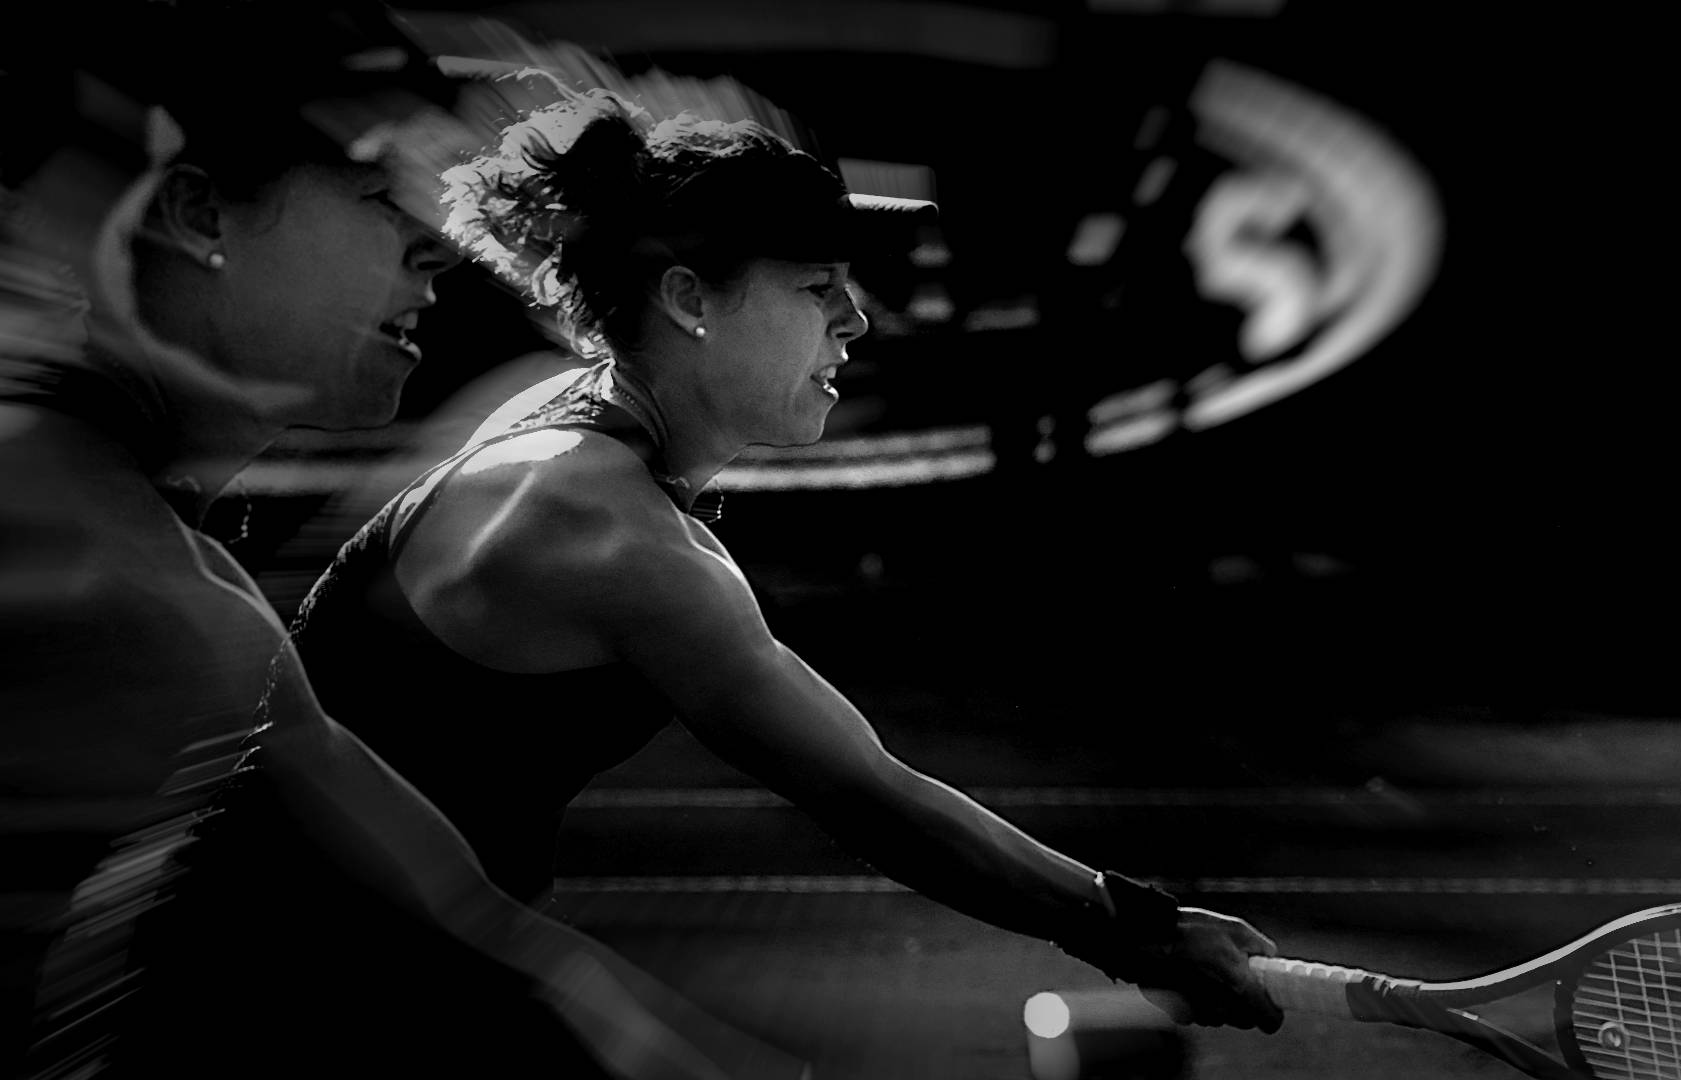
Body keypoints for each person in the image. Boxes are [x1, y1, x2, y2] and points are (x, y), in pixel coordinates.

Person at [287, 79, 1290, 1035]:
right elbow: (872, 798)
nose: (856, 318)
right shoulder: (601, 526)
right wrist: (1143, 930)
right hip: (306, 980)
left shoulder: (575, 429)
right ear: (688, 297)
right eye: (817, 287)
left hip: (375, 960)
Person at [1, 5, 800, 1077]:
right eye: (379, 196)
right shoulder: (89, 555)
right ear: (197, 214)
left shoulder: (179, 582)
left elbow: (458, 910)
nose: (434, 247)